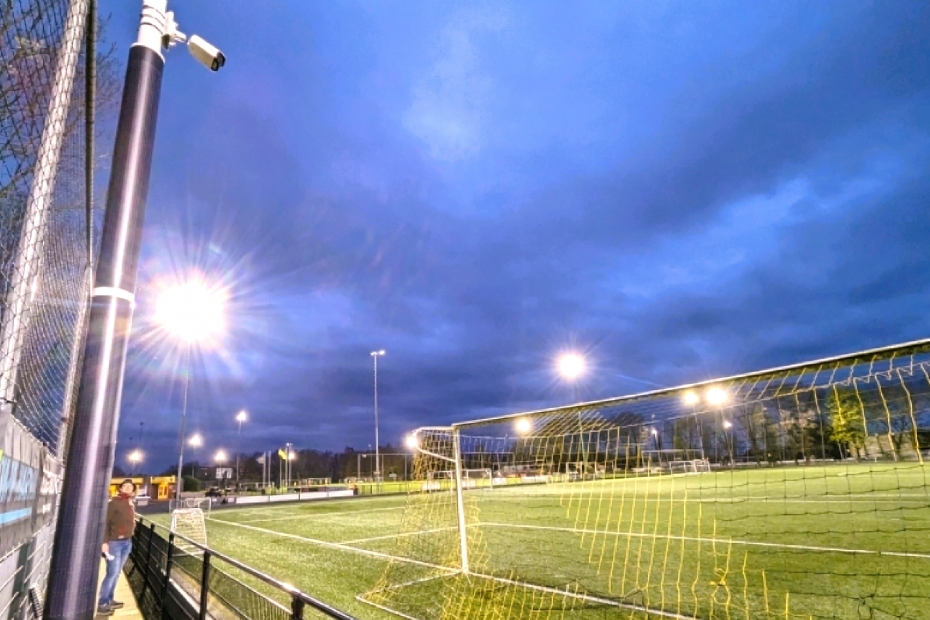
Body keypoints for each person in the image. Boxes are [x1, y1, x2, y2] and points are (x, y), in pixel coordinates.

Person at [97, 479, 136, 616]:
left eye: (130, 486)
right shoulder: (113, 502)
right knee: (112, 573)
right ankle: (102, 603)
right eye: (125, 486)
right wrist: (104, 542)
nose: (127, 488)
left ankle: (109, 599)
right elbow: (105, 523)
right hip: (114, 543)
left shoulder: (129, 502)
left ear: (133, 490)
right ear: (120, 488)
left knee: (117, 572)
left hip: (127, 542)